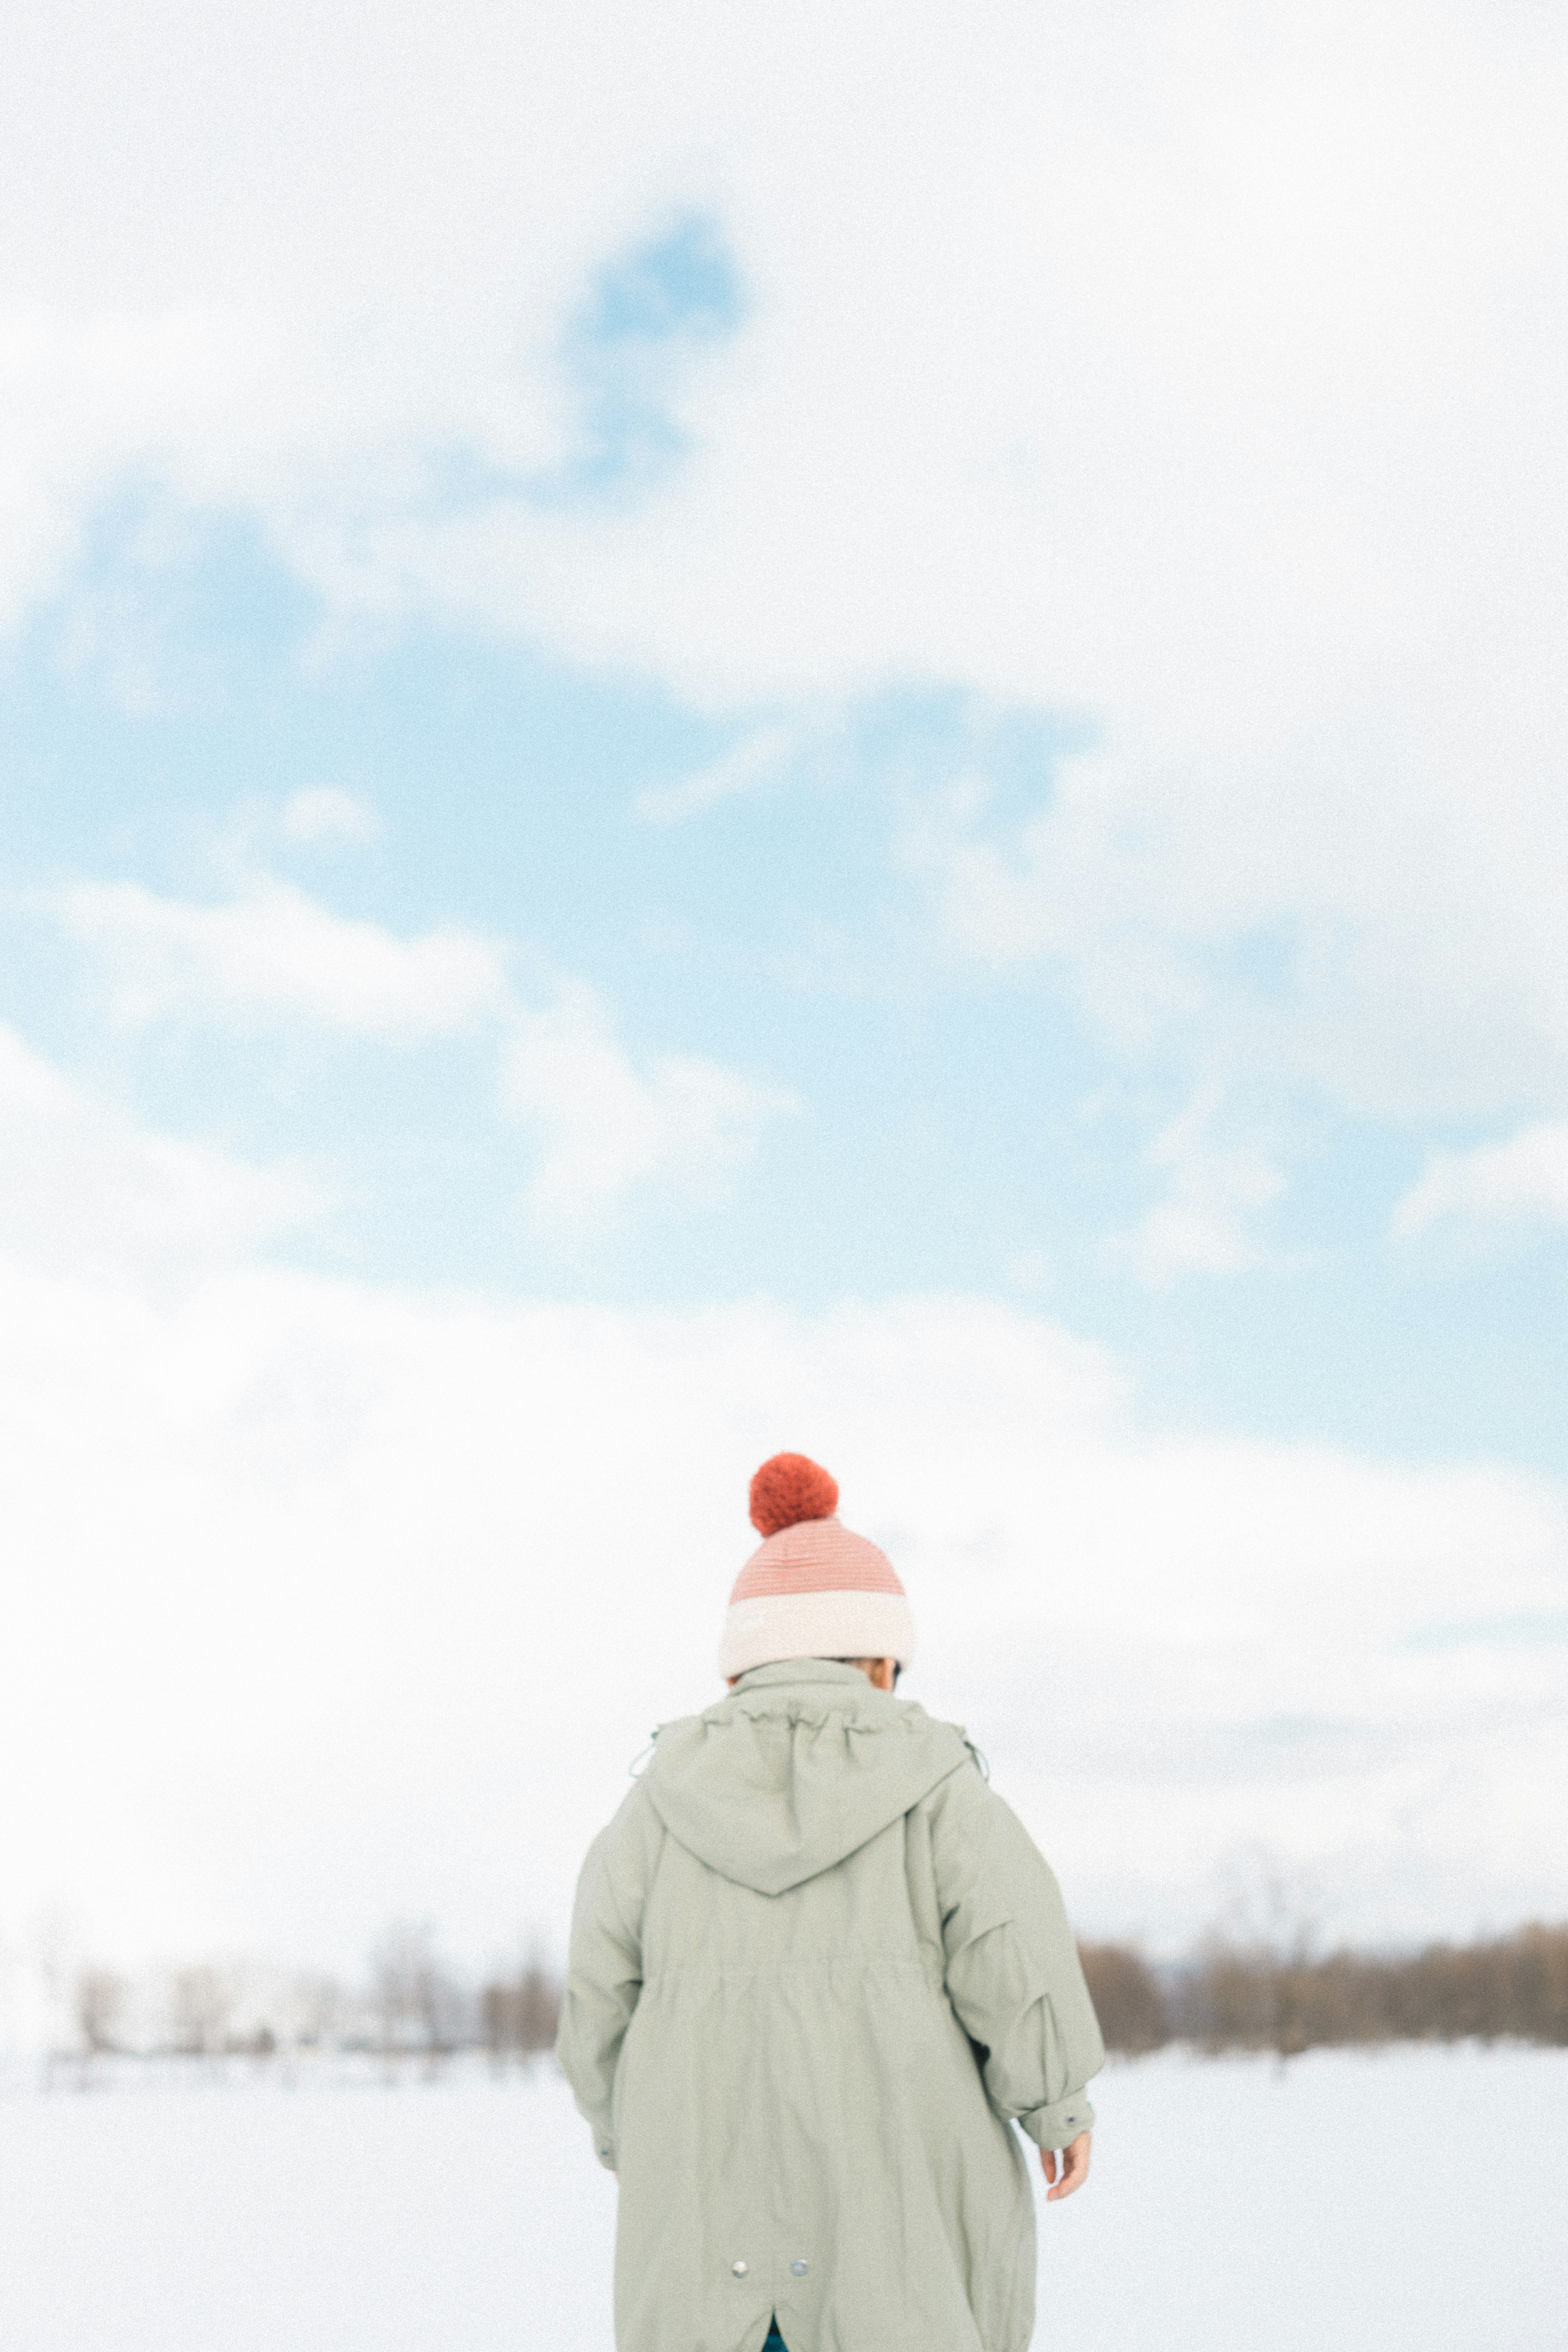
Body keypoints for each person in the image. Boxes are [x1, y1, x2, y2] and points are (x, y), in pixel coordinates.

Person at [555, 1452, 1104, 2352]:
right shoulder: (939, 1788)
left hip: (709, 2253)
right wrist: (1057, 2104)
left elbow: (596, 2002)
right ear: (882, 1661)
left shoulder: (654, 1806)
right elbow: (1016, 1957)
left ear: (741, 1671)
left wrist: (632, 2139)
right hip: (899, 2244)